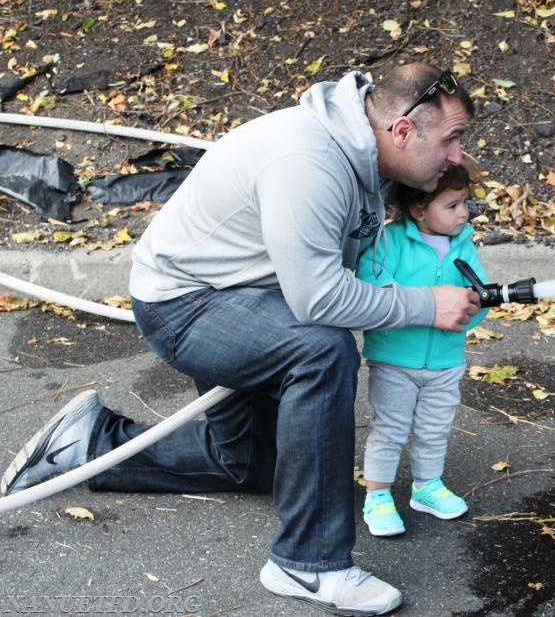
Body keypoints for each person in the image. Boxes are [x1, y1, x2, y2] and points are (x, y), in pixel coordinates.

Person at [0, 62, 480, 616]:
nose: (456, 159)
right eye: (452, 139)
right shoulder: (310, 162)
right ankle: (308, 563)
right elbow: (319, 301)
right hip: (187, 305)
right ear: (401, 131)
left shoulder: (367, 153)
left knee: (255, 464)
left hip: (248, 295)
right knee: (322, 351)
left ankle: (90, 444)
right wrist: (425, 305)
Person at [357, 163, 489, 538]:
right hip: (395, 360)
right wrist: (425, 309)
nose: (464, 212)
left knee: (435, 429)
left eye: (465, 203)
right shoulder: (390, 242)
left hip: (446, 362)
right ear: (419, 210)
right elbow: (373, 290)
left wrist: (477, 308)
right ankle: (378, 495)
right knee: (391, 429)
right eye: (452, 205)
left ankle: (426, 487)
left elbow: (479, 294)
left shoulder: (463, 245)